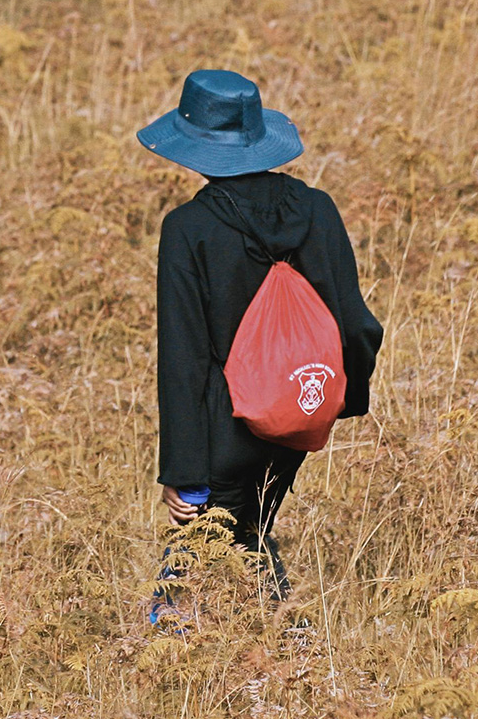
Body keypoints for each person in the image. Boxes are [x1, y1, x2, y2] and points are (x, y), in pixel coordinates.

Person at [140, 70, 383, 598]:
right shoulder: (318, 209)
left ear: (193, 147)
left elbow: (184, 359)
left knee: (189, 579)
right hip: (298, 415)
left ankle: (270, 658)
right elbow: (358, 323)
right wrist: (337, 402)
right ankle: (282, 659)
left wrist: (181, 470)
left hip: (223, 432)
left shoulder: (188, 229)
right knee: (249, 538)